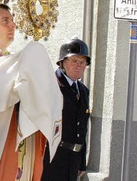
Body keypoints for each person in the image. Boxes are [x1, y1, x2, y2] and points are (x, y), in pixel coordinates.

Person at [0, 3, 63, 181]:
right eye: (5, 21)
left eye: (12, 21)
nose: (13, 25)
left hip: (23, 143)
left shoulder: (19, 59)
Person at [41, 37, 91, 180]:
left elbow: (82, 127)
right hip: (52, 156)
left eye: (83, 62)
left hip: (73, 159)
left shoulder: (83, 91)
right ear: (62, 63)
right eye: (74, 61)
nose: (79, 66)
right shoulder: (51, 85)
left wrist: (82, 162)